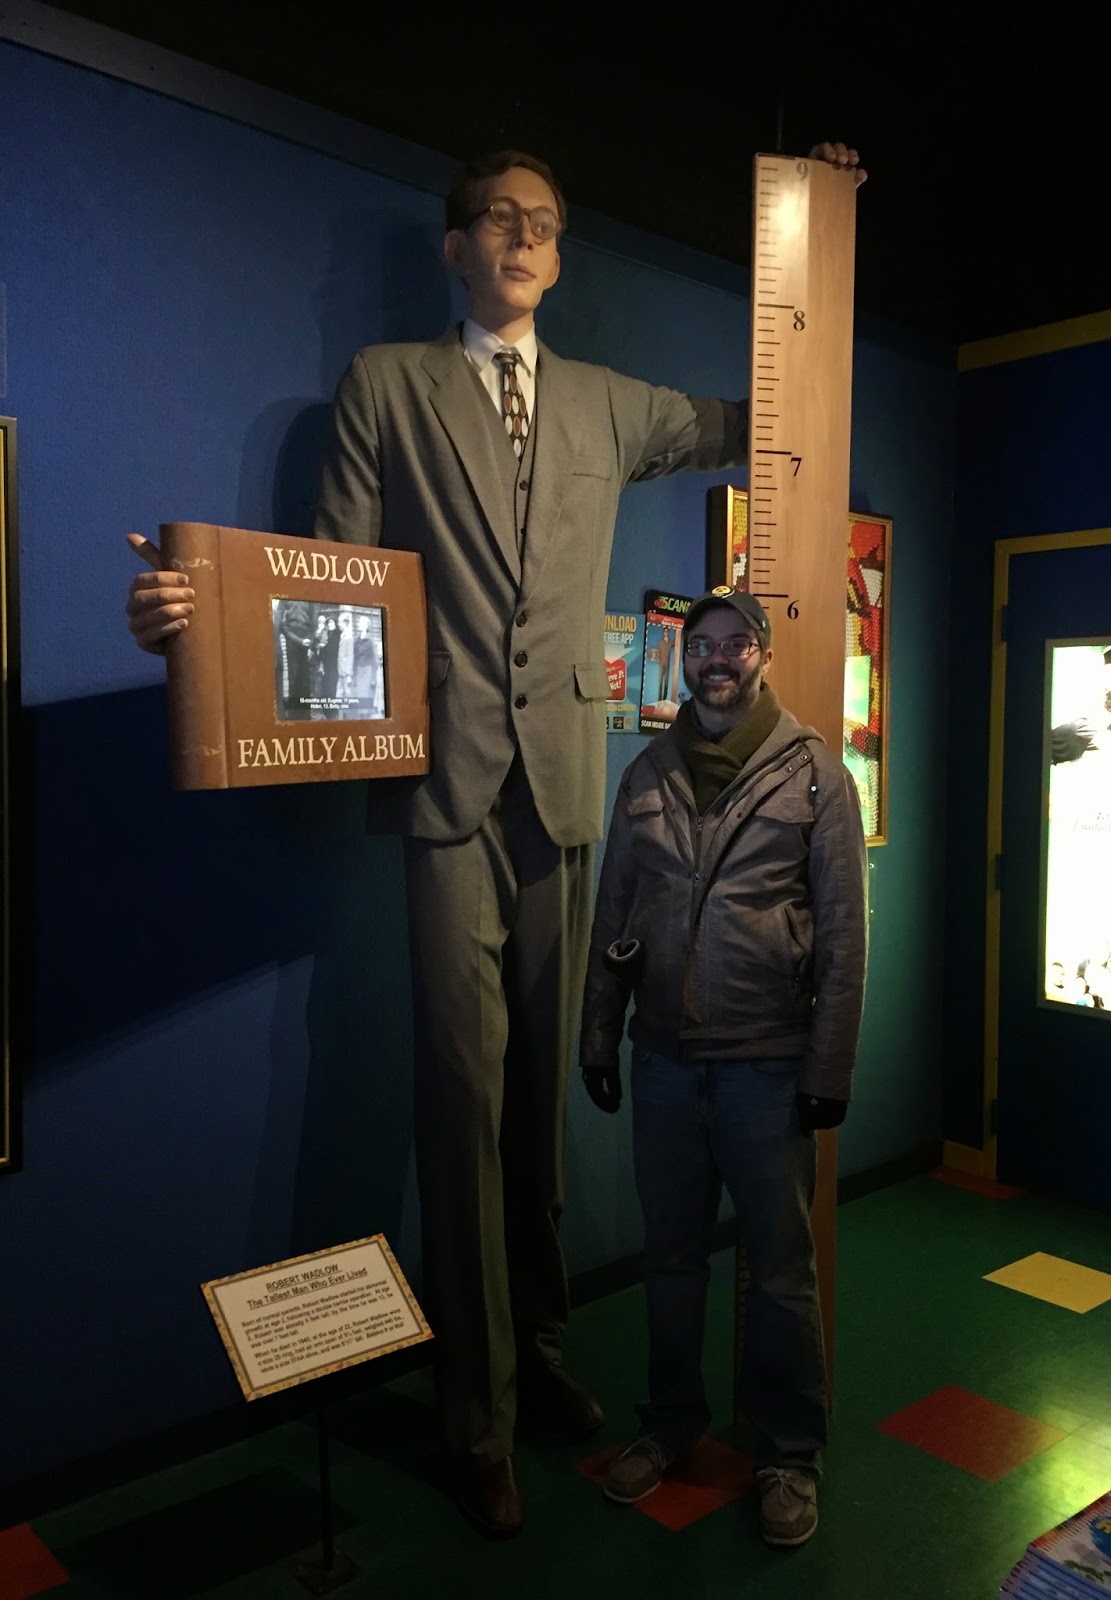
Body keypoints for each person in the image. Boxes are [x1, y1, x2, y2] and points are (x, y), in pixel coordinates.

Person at [124, 143, 865, 1539]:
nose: (525, 235)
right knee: (460, 1105)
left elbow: (757, 418)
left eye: (546, 221)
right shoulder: (388, 386)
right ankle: (476, 1418)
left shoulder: (605, 403)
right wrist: (194, 622)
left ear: (560, 254)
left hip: (567, 788)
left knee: (542, 1097)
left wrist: (821, 238)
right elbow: (328, 586)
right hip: (447, 788)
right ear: (456, 245)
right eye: (499, 218)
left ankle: (540, 1354)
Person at [579, 586, 868, 1549]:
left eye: (735, 644)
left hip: (766, 1068)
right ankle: (669, 1424)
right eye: (700, 646)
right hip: (664, 1062)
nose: (716, 660)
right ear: (685, 659)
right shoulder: (647, 773)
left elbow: (844, 937)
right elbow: (615, 911)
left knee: (779, 1270)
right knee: (669, 1259)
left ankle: (789, 1452)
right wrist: (598, 1035)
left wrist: (828, 1071)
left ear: (763, 655)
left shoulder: (816, 775)